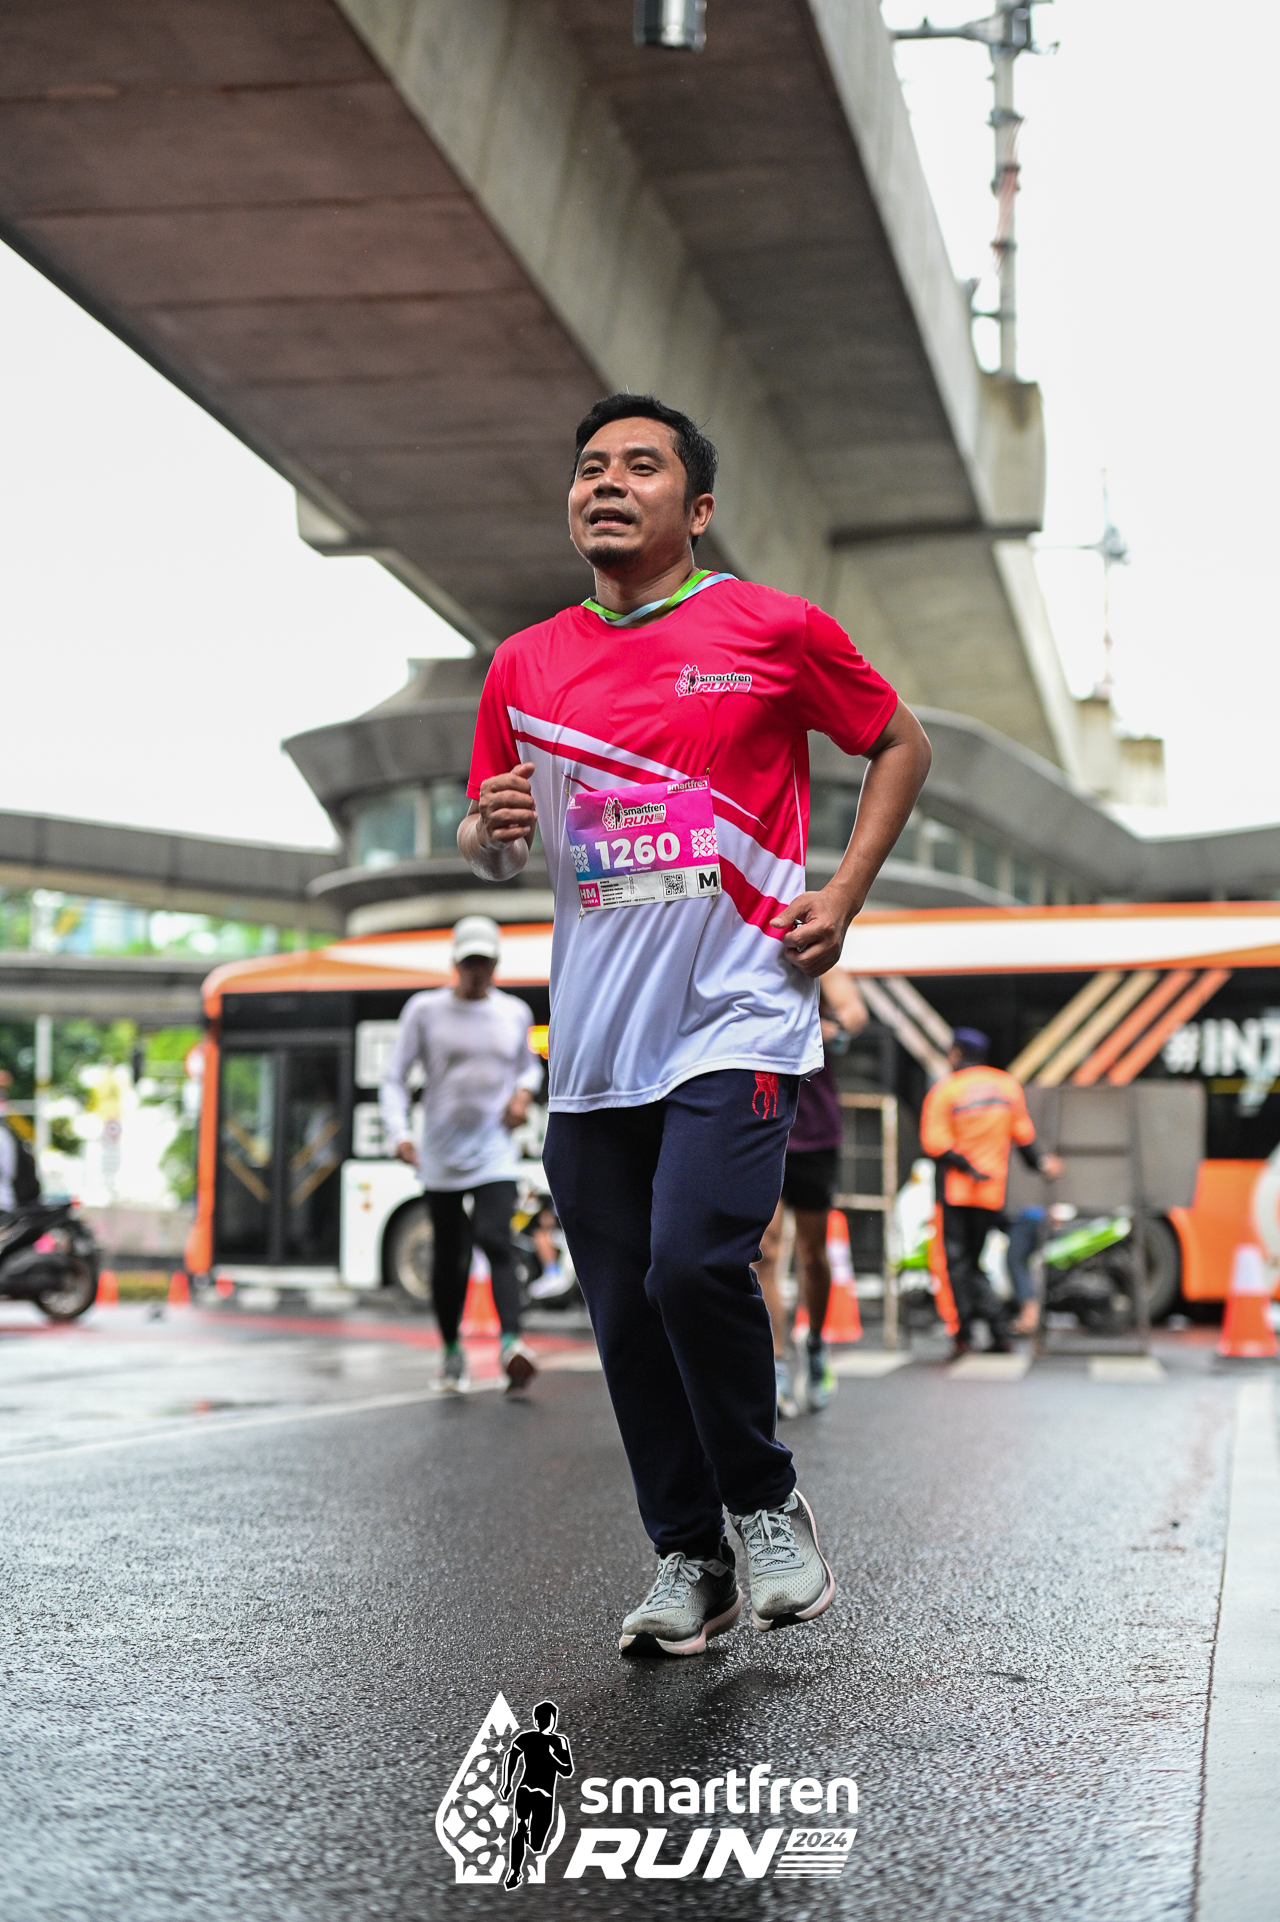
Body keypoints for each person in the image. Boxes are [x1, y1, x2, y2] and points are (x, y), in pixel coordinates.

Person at [459, 392, 931, 1656]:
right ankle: (691, 1557)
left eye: (639, 465)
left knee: (688, 1263)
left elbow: (898, 741)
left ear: (699, 506)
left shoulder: (770, 628)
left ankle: (766, 1504)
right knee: (621, 1308)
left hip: (737, 1013)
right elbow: (493, 838)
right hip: (594, 1046)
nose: (605, 483)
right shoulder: (523, 664)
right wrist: (482, 829)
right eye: (589, 467)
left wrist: (843, 893)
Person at [380, 916, 543, 1393]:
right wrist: (398, 1134)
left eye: (484, 962)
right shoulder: (425, 1010)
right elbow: (394, 1077)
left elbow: (529, 1069)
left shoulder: (513, 1012)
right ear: (455, 963)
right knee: (450, 1258)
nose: (476, 971)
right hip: (440, 1155)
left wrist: (522, 1096)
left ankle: (512, 1343)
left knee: (495, 1237)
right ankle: (452, 1352)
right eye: (469, 962)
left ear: (496, 964)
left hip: (494, 1151)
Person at [754, 970, 868, 1417]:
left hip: (815, 1131)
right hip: (762, 1123)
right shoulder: (742, 961)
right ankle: (776, 1362)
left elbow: (854, 1011)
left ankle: (816, 1344)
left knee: (813, 1254)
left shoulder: (818, 961)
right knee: (765, 1249)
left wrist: (833, 1025)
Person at [919, 1027, 1063, 1356]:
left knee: (958, 1265)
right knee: (973, 1261)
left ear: (957, 1053)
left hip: (956, 1192)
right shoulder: (1007, 1086)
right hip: (990, 1193)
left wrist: (967, 1167)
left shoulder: (946, 1089)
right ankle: (995, 1331)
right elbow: (1025, 1140)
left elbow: (935, 1143)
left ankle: (971, 1332)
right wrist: (1043, 1164)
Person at [499, 1700, 573, 1890]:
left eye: (548, 1718)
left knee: (536, 1842)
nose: (546, 1721)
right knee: (520, 1826)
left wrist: (551, 1757)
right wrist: (506, 1783)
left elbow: (567, 1770)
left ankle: (527, 1841)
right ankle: (515, 1871)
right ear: (536, 1720)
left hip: (543, 1794)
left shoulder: (559, 1741)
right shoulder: (528, 1738)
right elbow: (511, 1756)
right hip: (528, 1790)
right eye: (543, 1718)